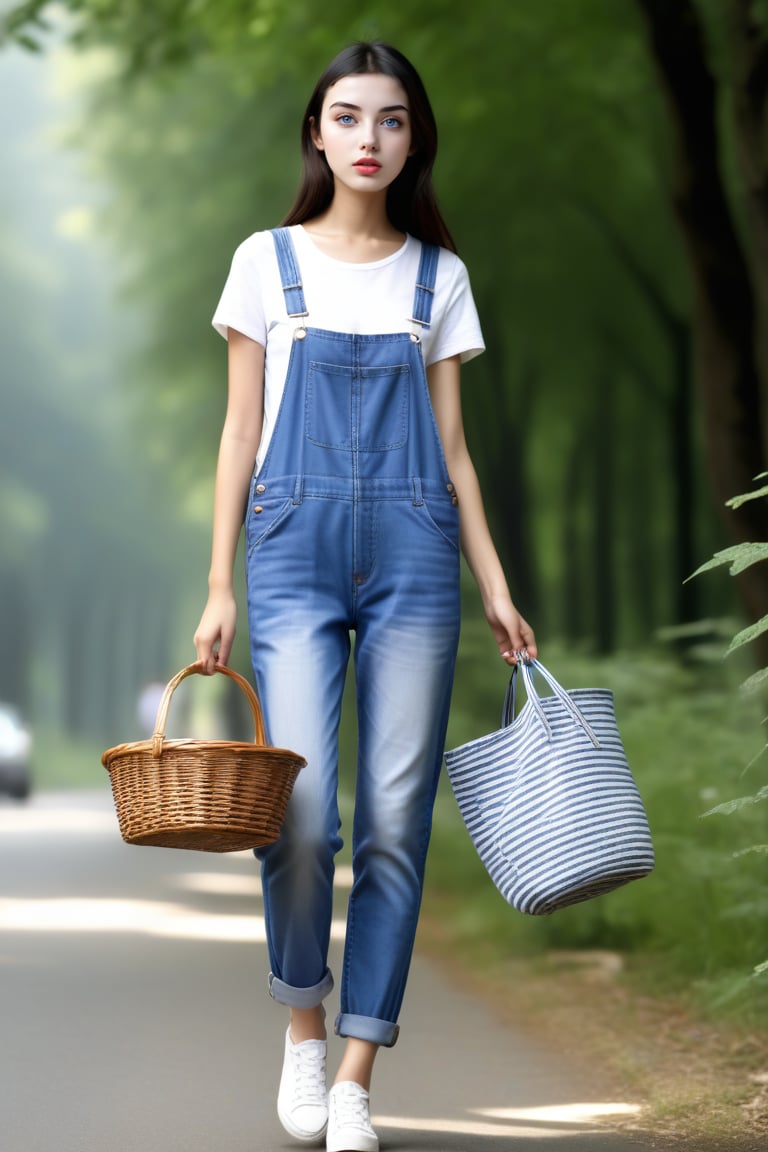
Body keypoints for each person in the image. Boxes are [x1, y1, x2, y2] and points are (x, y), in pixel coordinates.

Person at [194, 40, 537, 1152]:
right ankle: (301, 1030)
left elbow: (455, 450)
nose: (370, 140)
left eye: (392, 121)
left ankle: (355, 1075)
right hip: (288, 554)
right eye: (349, 118)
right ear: (316, 132)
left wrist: (494, 583)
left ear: (413, 138)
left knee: (394, 826)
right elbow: (240, 431)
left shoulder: (440, 277)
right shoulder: (264, 261)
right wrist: (216, 589)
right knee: (299, 814)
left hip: (417, 554)